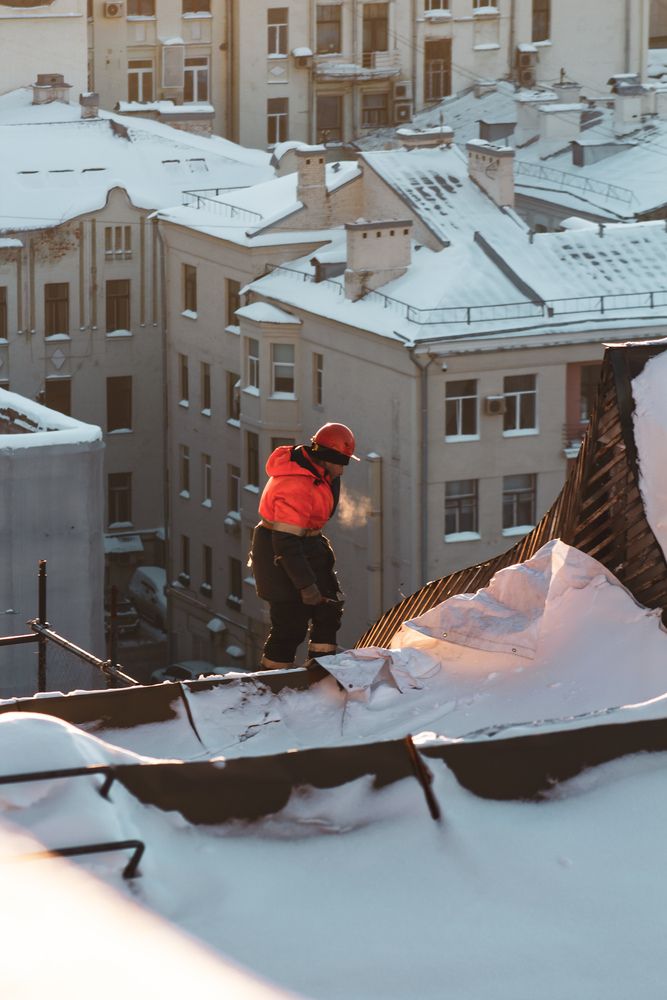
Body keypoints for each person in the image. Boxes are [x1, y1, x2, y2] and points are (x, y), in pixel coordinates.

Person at [250, 422, 359, 670]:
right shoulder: (295, 485)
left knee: (328, 610)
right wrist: (306, 585)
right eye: (341, 463)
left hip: (307, 545)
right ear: (326, 457)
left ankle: (322, 670)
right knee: (290, 624)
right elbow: (286, 542)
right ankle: (273, 683)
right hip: (278, 554)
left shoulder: (322, 475)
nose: (342, 471)